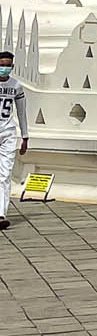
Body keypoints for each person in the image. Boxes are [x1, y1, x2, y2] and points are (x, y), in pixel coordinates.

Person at [0, 49, 27, 232]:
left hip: (8, 132)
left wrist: (25, 136)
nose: (4, 69)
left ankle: (1, 213)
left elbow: (22, 111)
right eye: (1, 65)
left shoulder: (16, 86)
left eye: (7, 66)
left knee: (5, 173)